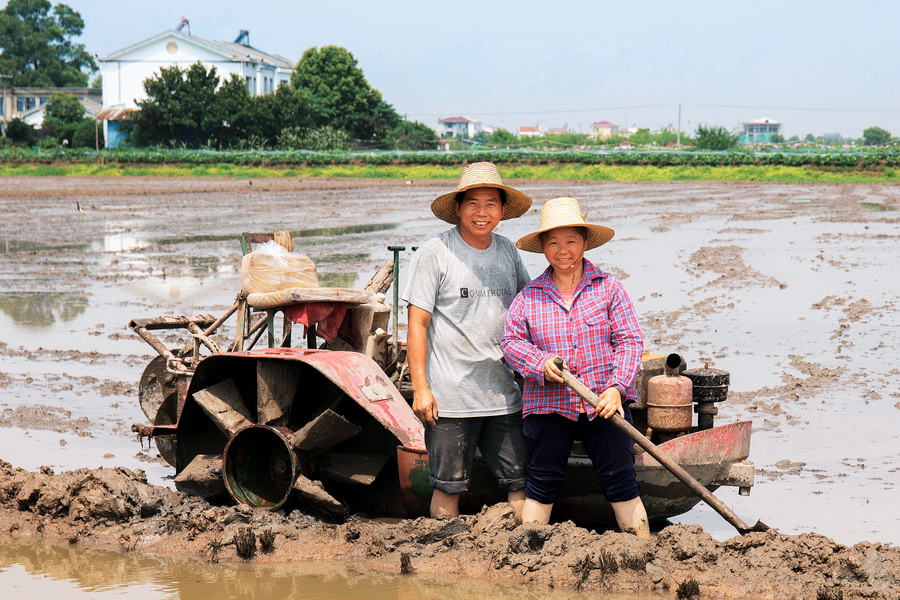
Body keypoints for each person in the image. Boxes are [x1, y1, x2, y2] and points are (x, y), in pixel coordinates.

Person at [500, 196, 650, 537]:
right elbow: (510, 343)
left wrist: (616, 388)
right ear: (542, 247)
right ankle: (529, 548)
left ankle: (642, 546)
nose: (562, 249)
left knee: (619, 477)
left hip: (603, 403)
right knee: (542, 478)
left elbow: (629, 341)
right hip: (548, 404)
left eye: (570, 241)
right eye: (553, 242)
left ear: (584, 242)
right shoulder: (530, 295)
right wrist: (540, 362)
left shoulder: (609, 289)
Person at [402, 162, 532, 520]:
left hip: (503, 392)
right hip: (450, 396)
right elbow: (417, 324)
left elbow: (529, 307)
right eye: (472, 203)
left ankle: (521, 549)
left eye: (491, 203)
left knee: (519, 481)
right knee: (448, 484)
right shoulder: (436, 252)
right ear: (457, 208)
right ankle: (445, 559)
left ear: (503, 211)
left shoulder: (507, 251)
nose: (481, 212)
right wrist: (421, 389)